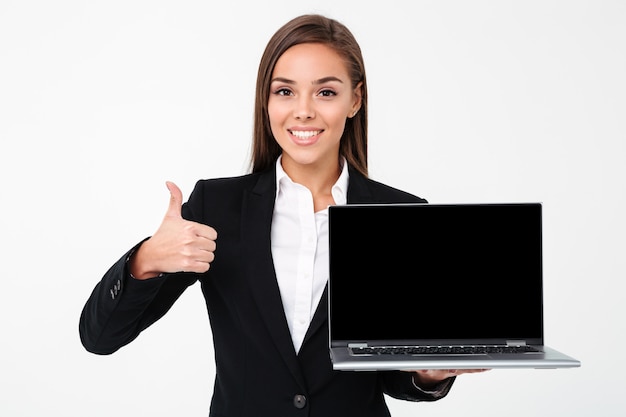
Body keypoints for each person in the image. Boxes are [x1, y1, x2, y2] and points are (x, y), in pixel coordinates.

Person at [79, 14, 485, 416]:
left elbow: (390, 378)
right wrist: (146, 259)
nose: (303, 111)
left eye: (325, 92)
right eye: (285, 92)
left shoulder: (402, 217)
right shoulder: (217, 208)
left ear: (355, 100)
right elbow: (100, 337)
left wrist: (429, 374)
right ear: (266, 100)